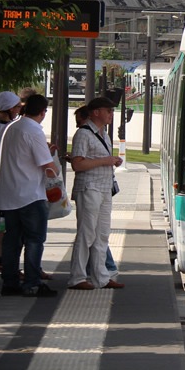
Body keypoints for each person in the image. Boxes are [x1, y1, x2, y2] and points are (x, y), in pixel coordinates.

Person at [0, 94, 58, 297]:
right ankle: (32, 283)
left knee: (11, 240)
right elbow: (47, 165)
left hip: (8, 194)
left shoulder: (11, 128)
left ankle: (10, 282)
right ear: (43, 112)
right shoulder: (33, 131)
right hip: (30, 195)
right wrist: (53, 166)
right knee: (34, 239)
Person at [67, 97, 125, 290]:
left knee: (102, 234)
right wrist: (105, 161)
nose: (111, 113)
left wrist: (111, 161)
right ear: (96, 112)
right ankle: (77, 277)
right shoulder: (83, 134)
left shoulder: (103, 134)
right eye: (108, 110)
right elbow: (77, 163)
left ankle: (101, 276)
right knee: (86, 233)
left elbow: (100, 159)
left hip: (104, 188)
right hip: (89, 187)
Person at [0, 91, 21, 274]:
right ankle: (1, 259)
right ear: (12, 108)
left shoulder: (10, 127)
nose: (20, 110)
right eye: (19, 107)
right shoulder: (11, 129)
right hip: (5, 182)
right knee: (3, 225)